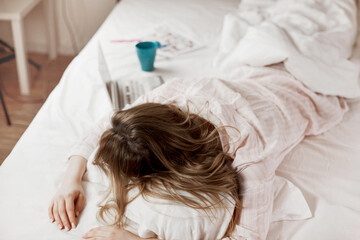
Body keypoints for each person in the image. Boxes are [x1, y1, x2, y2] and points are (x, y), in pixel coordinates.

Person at [48, 64, 347, 239]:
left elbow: (247, 237)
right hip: (254, 74)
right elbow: (105, 127)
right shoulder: (165, 99)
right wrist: (70, 179)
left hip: (293, 94)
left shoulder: (249, 156)